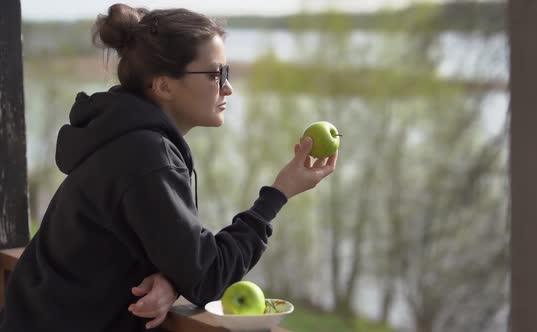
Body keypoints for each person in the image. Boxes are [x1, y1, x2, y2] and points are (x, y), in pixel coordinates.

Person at [0, 3, 337, 332]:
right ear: (163, 85)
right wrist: (278, 194)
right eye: (216, 74)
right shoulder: (147, 157)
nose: (228, 87)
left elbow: (176, 256)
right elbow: (208, 276)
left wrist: (174, 279)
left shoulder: (123, 139)